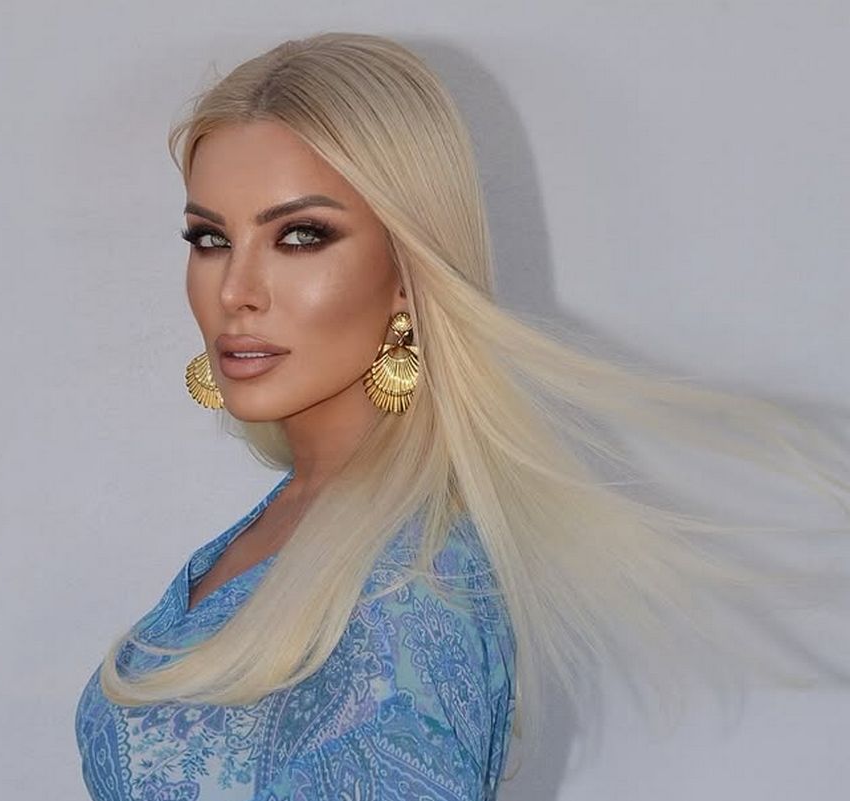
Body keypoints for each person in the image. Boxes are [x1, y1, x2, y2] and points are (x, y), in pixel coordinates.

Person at [73, 32, 848, 800]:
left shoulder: (418, 582)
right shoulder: (295, 521)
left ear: (407, 270)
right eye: (210, 238)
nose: (235, 290)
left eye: (300, 237)